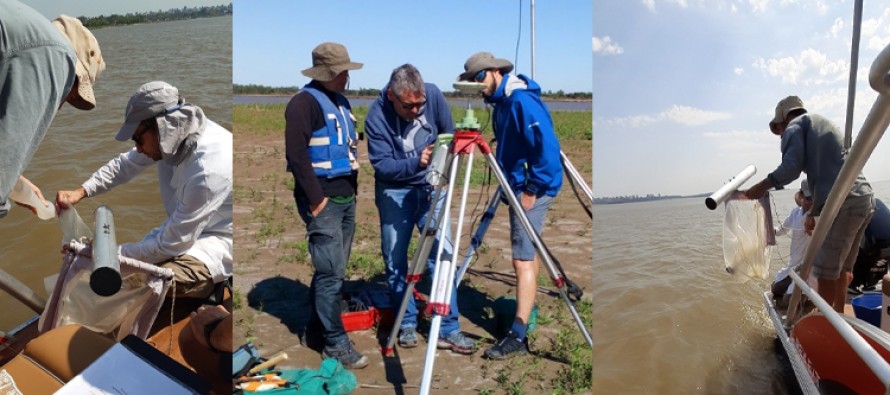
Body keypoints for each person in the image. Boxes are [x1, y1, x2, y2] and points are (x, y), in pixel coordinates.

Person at [56, 81, 233, 301]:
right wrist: (81, 191)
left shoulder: (207, 172)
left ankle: (215, 293)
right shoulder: (172, 135)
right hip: (184, 229)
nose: (137, 148)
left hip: (217, 242)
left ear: (162, 125)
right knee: (134, 270)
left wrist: (105, 256)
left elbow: (170, 245)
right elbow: (124, 165)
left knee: (149, 284)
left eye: (138, 139)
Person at [457, 52, 563, 359]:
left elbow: (548, 150)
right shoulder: (502, 102)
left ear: (494, 72)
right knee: (528, 256)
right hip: (515, 184)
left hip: (530, 189)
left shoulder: (520, 102)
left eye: (479, 79)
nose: (478, 86)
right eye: (471, 82)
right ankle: (528, 308)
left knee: (521, 260)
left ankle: (518, 332)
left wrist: (531, 190)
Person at [365, 64, 476, 354]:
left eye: (420, 104)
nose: (416, 111)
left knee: (443, 256)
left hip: (433, 188)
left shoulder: (435, 96)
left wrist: (443, 160)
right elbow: (382, 164)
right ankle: (407, 323)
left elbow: (448, 133)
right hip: (394, 193)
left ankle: (448, 328)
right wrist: (417, 162)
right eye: (409, 106)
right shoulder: (376, 117)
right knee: (395, 260)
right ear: (392, 96)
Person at [743, 95, 873, 312]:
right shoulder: (820, 124)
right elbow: (829, 175)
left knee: (825, 272)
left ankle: (827, 325)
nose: (781, 135)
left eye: (779, 131)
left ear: (784, 118)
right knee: (842, 270)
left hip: (845, 202)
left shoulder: (795, 126)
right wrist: (814, 212)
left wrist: (761, 186)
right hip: (863, 198)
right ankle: (839, 315)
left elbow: (791, 168)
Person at [284, 42, 367, 369]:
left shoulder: (341, 101)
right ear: (328, 73)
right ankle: (335, 343)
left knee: (334, 269)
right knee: (331, 272)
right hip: (323, 201)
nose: (348, 76)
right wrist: (317, 201)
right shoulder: (303, 104)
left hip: (345, 197)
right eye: (343, 71)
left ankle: (317, 330)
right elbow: (297, 156)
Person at [0, 1, 105, 218]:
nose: (61, 104)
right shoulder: (56, 55)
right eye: (71, 94)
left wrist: (15, 181)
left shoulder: (22, 32)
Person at [771, 182, 815, 307]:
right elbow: (782, 229)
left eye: (813, 198)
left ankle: (809, 294)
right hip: (794, 264)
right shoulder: (795, 212)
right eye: (807, 198)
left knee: (788, 302)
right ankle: (792, 283)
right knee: (775, 289)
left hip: (809, 267)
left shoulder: (818, 215)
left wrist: (812, 230)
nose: (810, 201)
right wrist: (769, 230)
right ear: (801, 195)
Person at [850, 198, 890, 293]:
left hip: (876, 246)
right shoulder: (877, 201)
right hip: (886, 246)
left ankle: (854, 283)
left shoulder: (855, 208)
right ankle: (871, 283)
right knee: (881, 258)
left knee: (853, 250)